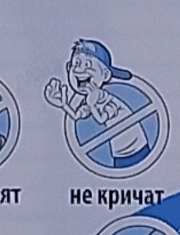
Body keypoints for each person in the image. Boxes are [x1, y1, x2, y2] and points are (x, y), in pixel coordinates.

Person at [44, 39, 149, 167]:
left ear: (105, 75)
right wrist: (63, 104)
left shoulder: (107, 99)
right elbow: (77, 115)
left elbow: (101, 118)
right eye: (76, 64)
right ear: (68, 68)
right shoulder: (90, 100)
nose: (79, 70)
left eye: (88, 65)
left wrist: (92, 104)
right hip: (119, 154)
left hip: (136, 149)